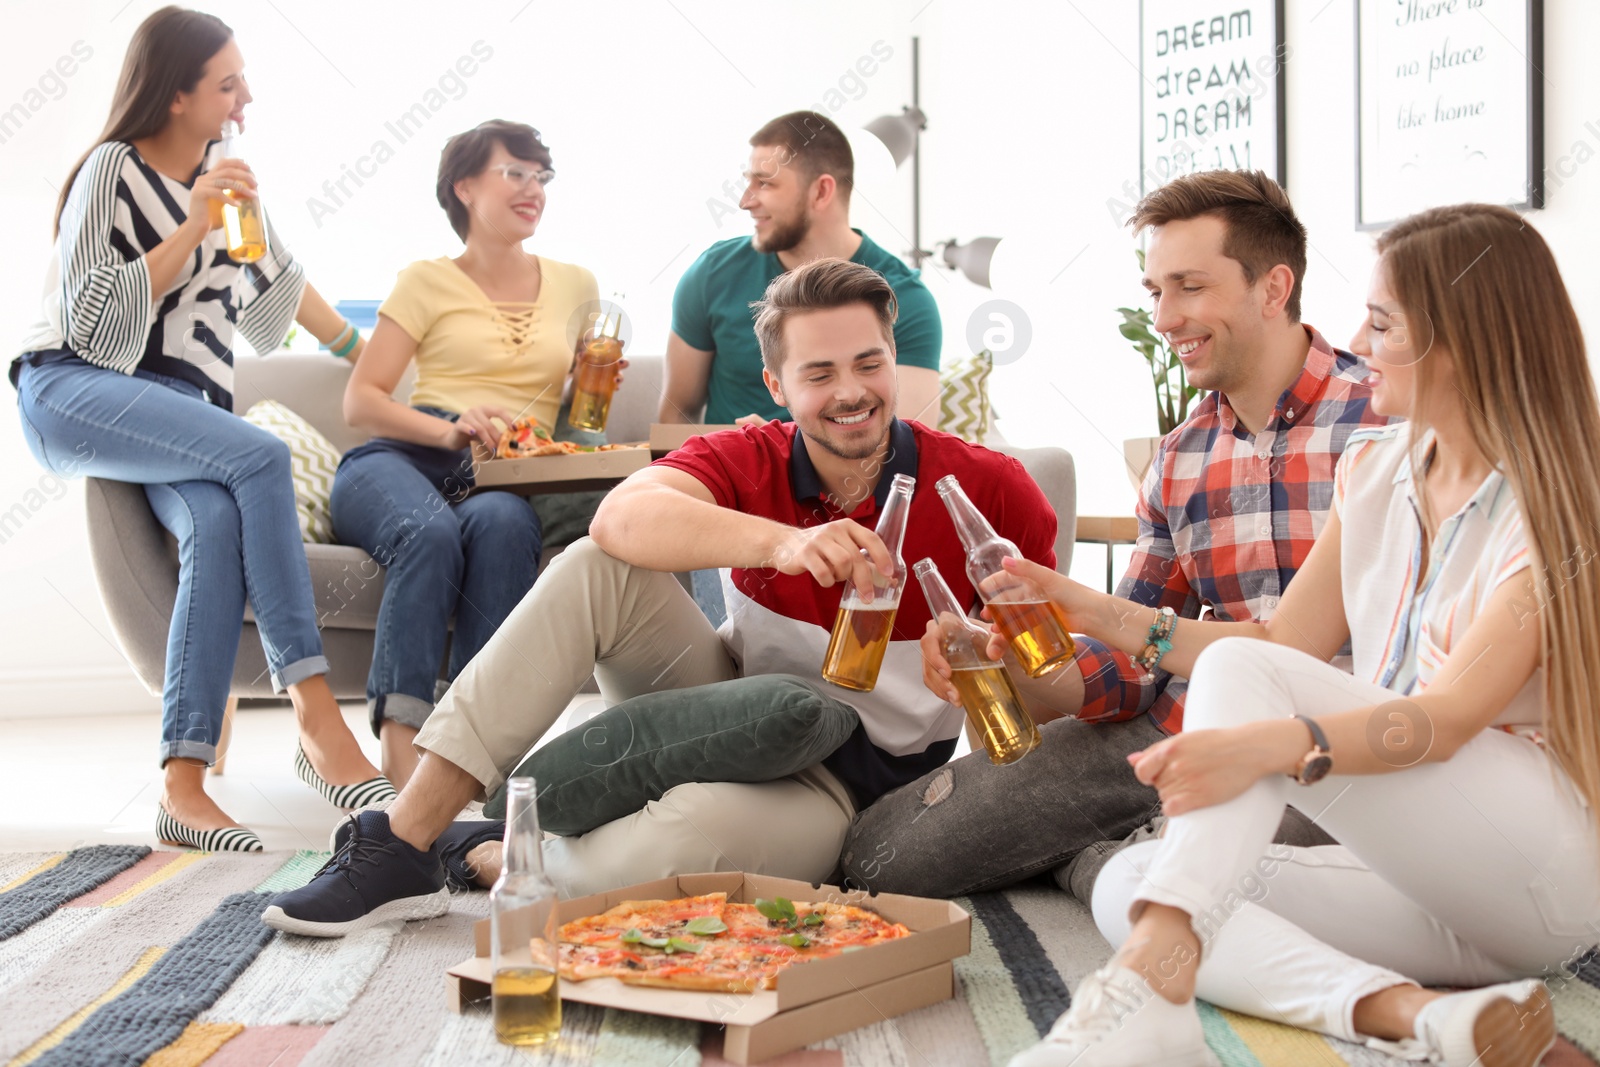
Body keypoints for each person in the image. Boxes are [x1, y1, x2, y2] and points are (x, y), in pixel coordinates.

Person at [261, 257, 1058, 937]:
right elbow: (622, 517)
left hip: (839, 786)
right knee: (592, 565)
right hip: (728, 701)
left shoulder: (992, 492)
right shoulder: (747, 454)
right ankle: (401, 838)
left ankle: (491, 851)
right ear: (778, 384)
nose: (851, 392)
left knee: (678, 851)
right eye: (819, 374)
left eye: (869, 363)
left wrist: (991, 661)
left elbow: (1054, 692)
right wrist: (779, 541)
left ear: (895, 358)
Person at [1008, 202, 1587, 1067]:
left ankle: (1142, 998)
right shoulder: (1380, 467)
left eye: (1383, 321)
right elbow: (1286, 639)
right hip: (1436, 887)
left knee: (1242, 676)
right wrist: (1085, 609)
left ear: (1460, 340)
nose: (1357, 334)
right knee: (1139, 883)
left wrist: (1276, 747)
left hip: (1543, 872)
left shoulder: (1563, 504)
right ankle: (1426, 1020)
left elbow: (1446, 719)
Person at [840, 170, 1388, 898]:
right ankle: (1121, 860)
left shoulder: (1383, 427)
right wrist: (1007, 653)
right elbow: (1131, 668)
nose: (1164, 317)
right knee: (889, 853)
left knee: (1210, 874)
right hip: (1172, 729)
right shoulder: (1179, 458)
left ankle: (1117, 863)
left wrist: (1098, 613)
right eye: (1155, 291)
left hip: (1329, 752)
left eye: (1189, 286)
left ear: (1274, 288)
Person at [10, 6, 393, 851]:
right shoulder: (113, 170)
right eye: (228, 82)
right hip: (74, 385)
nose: (245, 97)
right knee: (258, 451)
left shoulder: (228, 176)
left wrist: (372, 360)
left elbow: (276, 306)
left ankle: (181, 790)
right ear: (177, 93)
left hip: (178, 412)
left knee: (216, 522)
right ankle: (317, 719)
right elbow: (91, 324)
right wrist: (191, 221)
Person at [333, 120, 623, 788]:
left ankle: (468, 755)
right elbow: (361, 400)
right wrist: (450, 429)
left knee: (506, 526)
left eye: (541, 176)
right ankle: (403, 753)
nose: (533, 189)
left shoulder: (578, 284)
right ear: (464, 186)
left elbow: (580, 419)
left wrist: (591, 394)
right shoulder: (426, 280)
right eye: (514, 173)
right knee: (427, 533)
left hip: (506, 473)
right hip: (406, 456)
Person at [659, 110, 943, 429]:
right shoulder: (713, 273)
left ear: (821, 192)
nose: (744, 201)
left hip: (847, 479)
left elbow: (906, 448)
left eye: (765, 183)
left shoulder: (906, 300)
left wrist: (776, 451)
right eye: (748, 182)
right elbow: (674, 416)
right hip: (724, 475)